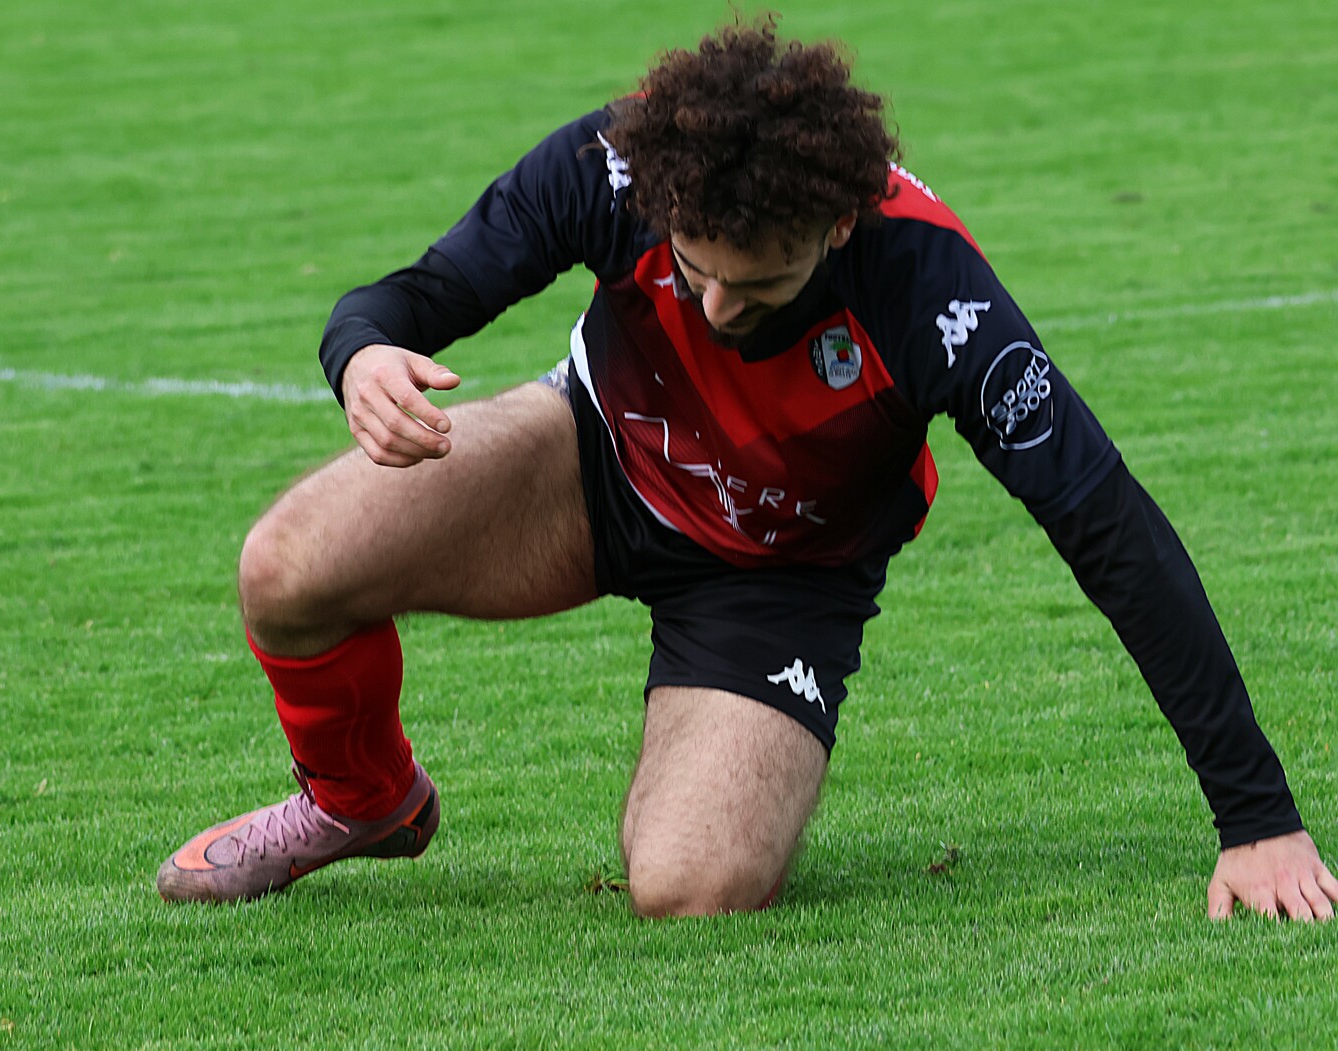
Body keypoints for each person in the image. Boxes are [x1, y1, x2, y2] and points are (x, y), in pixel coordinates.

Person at [156, 21, 1338, 920]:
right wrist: (362, 355)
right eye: (694, 267)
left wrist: (1256, 819)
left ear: (837, 227)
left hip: (780, 574)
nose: (717, 305)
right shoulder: (620, 165)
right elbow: (413, 294)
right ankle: (360, 800)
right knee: (287, 565)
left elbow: (1108, 527)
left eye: (758, 281)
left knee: (689, 886)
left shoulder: (932, 291)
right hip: (592, 462)